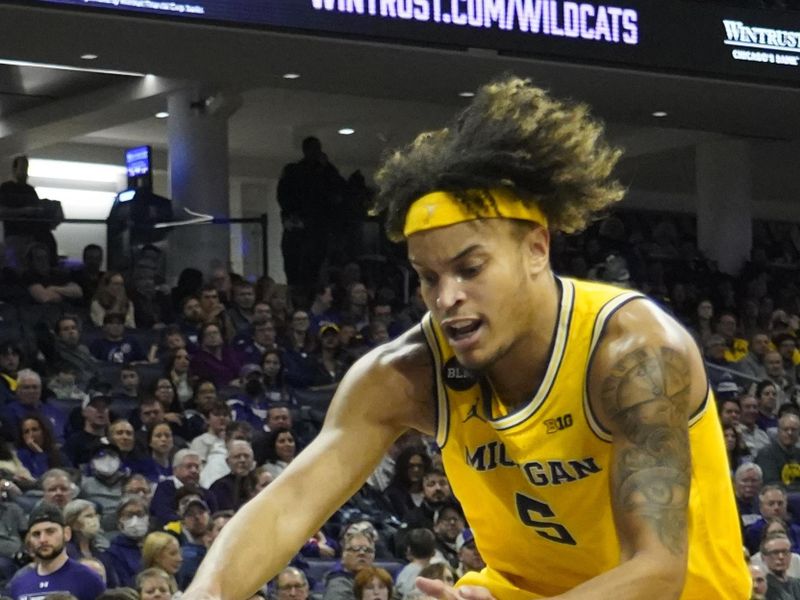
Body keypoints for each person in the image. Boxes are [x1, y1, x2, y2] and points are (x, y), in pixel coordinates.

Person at [185, 77, 748, 599]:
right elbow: (287, 507)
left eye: (470, 268)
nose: (445, 296)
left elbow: (656, 572)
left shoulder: (634, 352)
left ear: (536, 249)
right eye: (428, 277)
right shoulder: (407, 373)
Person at [9, 502, 106, 600]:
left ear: (67, 534)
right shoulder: (19, 584)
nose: (43, 539)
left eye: (50, 531)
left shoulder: (88, 579)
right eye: (36, 534)